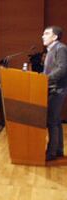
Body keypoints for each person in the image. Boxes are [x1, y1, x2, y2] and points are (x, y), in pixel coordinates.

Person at [42, 26, 67, 161]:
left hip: (57, 89)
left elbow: (62, 69)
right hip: (53, 88)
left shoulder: (60, 48)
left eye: (46, 34)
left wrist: (45, 78)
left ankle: (51, 153)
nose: (43, 36)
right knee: (55, 120)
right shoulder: (52, 50)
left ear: (55, 37)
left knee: (52, 121)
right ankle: (58, 150)